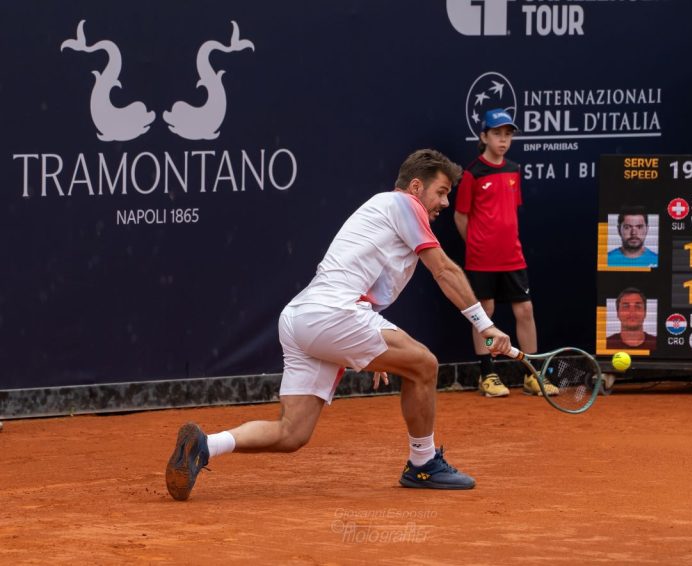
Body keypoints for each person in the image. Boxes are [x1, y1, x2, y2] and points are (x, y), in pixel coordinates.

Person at [165, 149, 514, 500]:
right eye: (440, 192)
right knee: (424, 365)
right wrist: (485, 325)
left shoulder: (386, 213)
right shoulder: (405, 205)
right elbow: (444, 270)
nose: (445, 201)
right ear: (416, 186)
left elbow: (369, 287)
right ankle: (422, 464)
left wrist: (375, 351)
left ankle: (205, 445)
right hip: (332, 314)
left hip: (301, 318)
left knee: (292, 433)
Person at [453, 108, 557, 398]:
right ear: (484, 136)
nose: (503, 140)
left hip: (513, 257)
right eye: (497, 134)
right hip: (481, 259)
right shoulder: (473, 174)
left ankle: (532, 375)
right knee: (484, 315)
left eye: (507, 134)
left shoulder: (513, 170)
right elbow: (461, 217)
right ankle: (487, 374)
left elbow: (511, 211)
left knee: (525, 310)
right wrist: (476, 244)